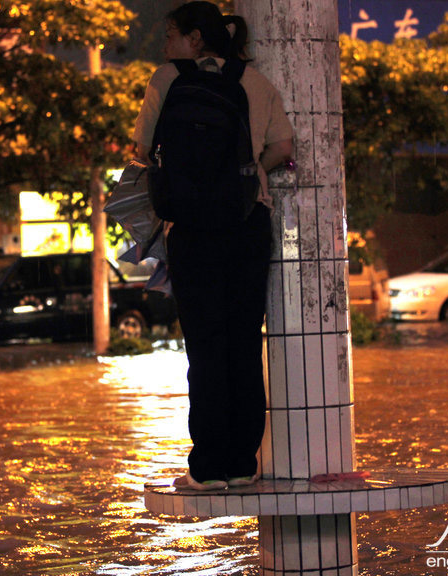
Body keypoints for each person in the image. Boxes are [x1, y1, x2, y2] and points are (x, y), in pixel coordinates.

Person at [133, 1, 294, 490]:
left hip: (192, 230)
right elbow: (284, 147)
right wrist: (246, 176)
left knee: (203, 348)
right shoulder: (255, 82)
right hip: (245, 224)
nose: (166, 45)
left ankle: (207, 469)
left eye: (171, 35)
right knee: (244, 344)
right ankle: (243, 465)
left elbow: (142, 150)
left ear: (195, 39)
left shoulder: (166, 79)